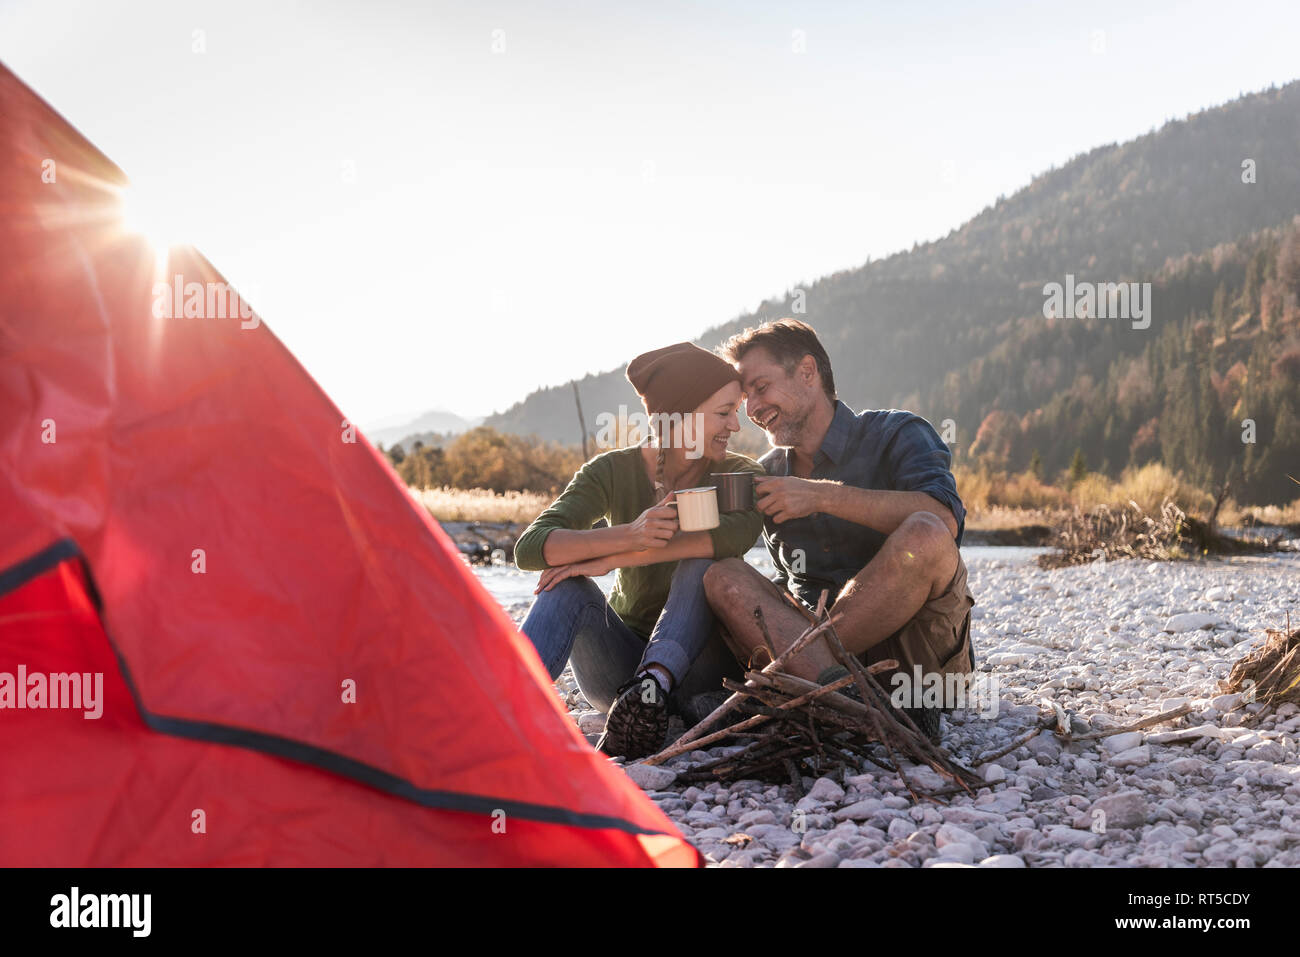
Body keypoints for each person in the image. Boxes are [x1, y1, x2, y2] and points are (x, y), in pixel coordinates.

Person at [701, 319, 976, 743]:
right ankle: (848, 698)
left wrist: (820, 497)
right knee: (722, 575)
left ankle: (803, 688)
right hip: (812, 652)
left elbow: (944, 520)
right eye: (744, 399)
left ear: (807, 372)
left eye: (760, 387)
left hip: (914, 663)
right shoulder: (766, 474)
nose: (752, 408)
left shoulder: (898, 432)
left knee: (923, 532)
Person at [515, 342, 765, 759]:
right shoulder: (611, 471)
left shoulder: (737, 474)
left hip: (706, 668)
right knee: (565, 588)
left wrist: (605, 560)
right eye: (724, 412)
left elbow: (733, 537)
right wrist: (628, 536)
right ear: (681, 416)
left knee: (703, 563)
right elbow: (531, 548)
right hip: (619, 670)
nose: (735, 426)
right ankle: (503, 709)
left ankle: (657, 688)